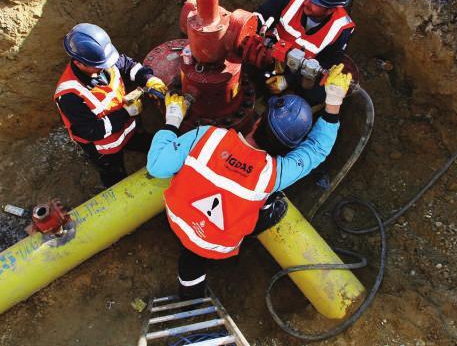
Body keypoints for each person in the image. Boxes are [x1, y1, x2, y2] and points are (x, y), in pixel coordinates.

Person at [146, 64, 353, 299]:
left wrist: (173, 118)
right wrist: (334, 102)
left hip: (176, 217)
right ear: (290, 149)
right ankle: (198, 283)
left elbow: (157, 166)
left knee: (191, 255)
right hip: (218, 244)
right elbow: (316, 149)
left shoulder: (209, 136)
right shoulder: (274, 174)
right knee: (277, 204)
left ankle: (190, 295)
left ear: (257, 122)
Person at [54, 23, 167, 188]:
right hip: (105, 150)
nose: (107, 66)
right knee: (115, 178)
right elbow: (91, 131)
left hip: (129, 129)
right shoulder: (69, 95)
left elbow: (128, 65)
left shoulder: (103, 61)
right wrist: (126, 112)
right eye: (101, 65)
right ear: (79, 63)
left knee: (146, 142)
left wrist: (149, 79)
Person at [254, 0, 356, 105]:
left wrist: (287, 81)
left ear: (331, 9)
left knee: (318, 94)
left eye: (315, 2)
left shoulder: (341, 29)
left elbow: (326, 64)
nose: (306, 2)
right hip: (269, 51)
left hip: (299, 71)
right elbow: (261, 15)